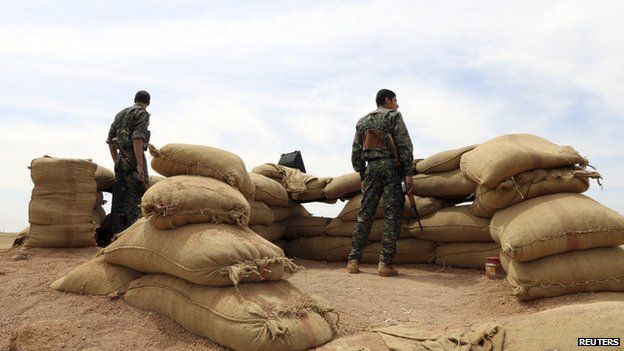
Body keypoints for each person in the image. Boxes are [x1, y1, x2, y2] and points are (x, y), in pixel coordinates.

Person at [347, 89, 414, 276]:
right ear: (387, 100)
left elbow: (355, 152)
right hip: (391, 168)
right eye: (395, 100)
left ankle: (353, 261)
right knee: (392, 215)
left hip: (370, 170)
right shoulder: (393, 116)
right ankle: (385, 263)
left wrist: (362, 174)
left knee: (364, 215)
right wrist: (408, 173)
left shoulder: (362, 121)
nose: (397, 104)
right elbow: (404, 145)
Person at [100, 90, 151, 246]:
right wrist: (140, 164)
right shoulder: (141, 113)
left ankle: (116, 235)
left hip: (120, 159)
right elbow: (137, 138)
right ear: (148, 103)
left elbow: (110, 140)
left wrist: (116, 158)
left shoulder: (120, 114)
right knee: (137, 195)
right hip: (134, 157)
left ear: (134, 99)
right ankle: (134, 237)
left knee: (119, 197)